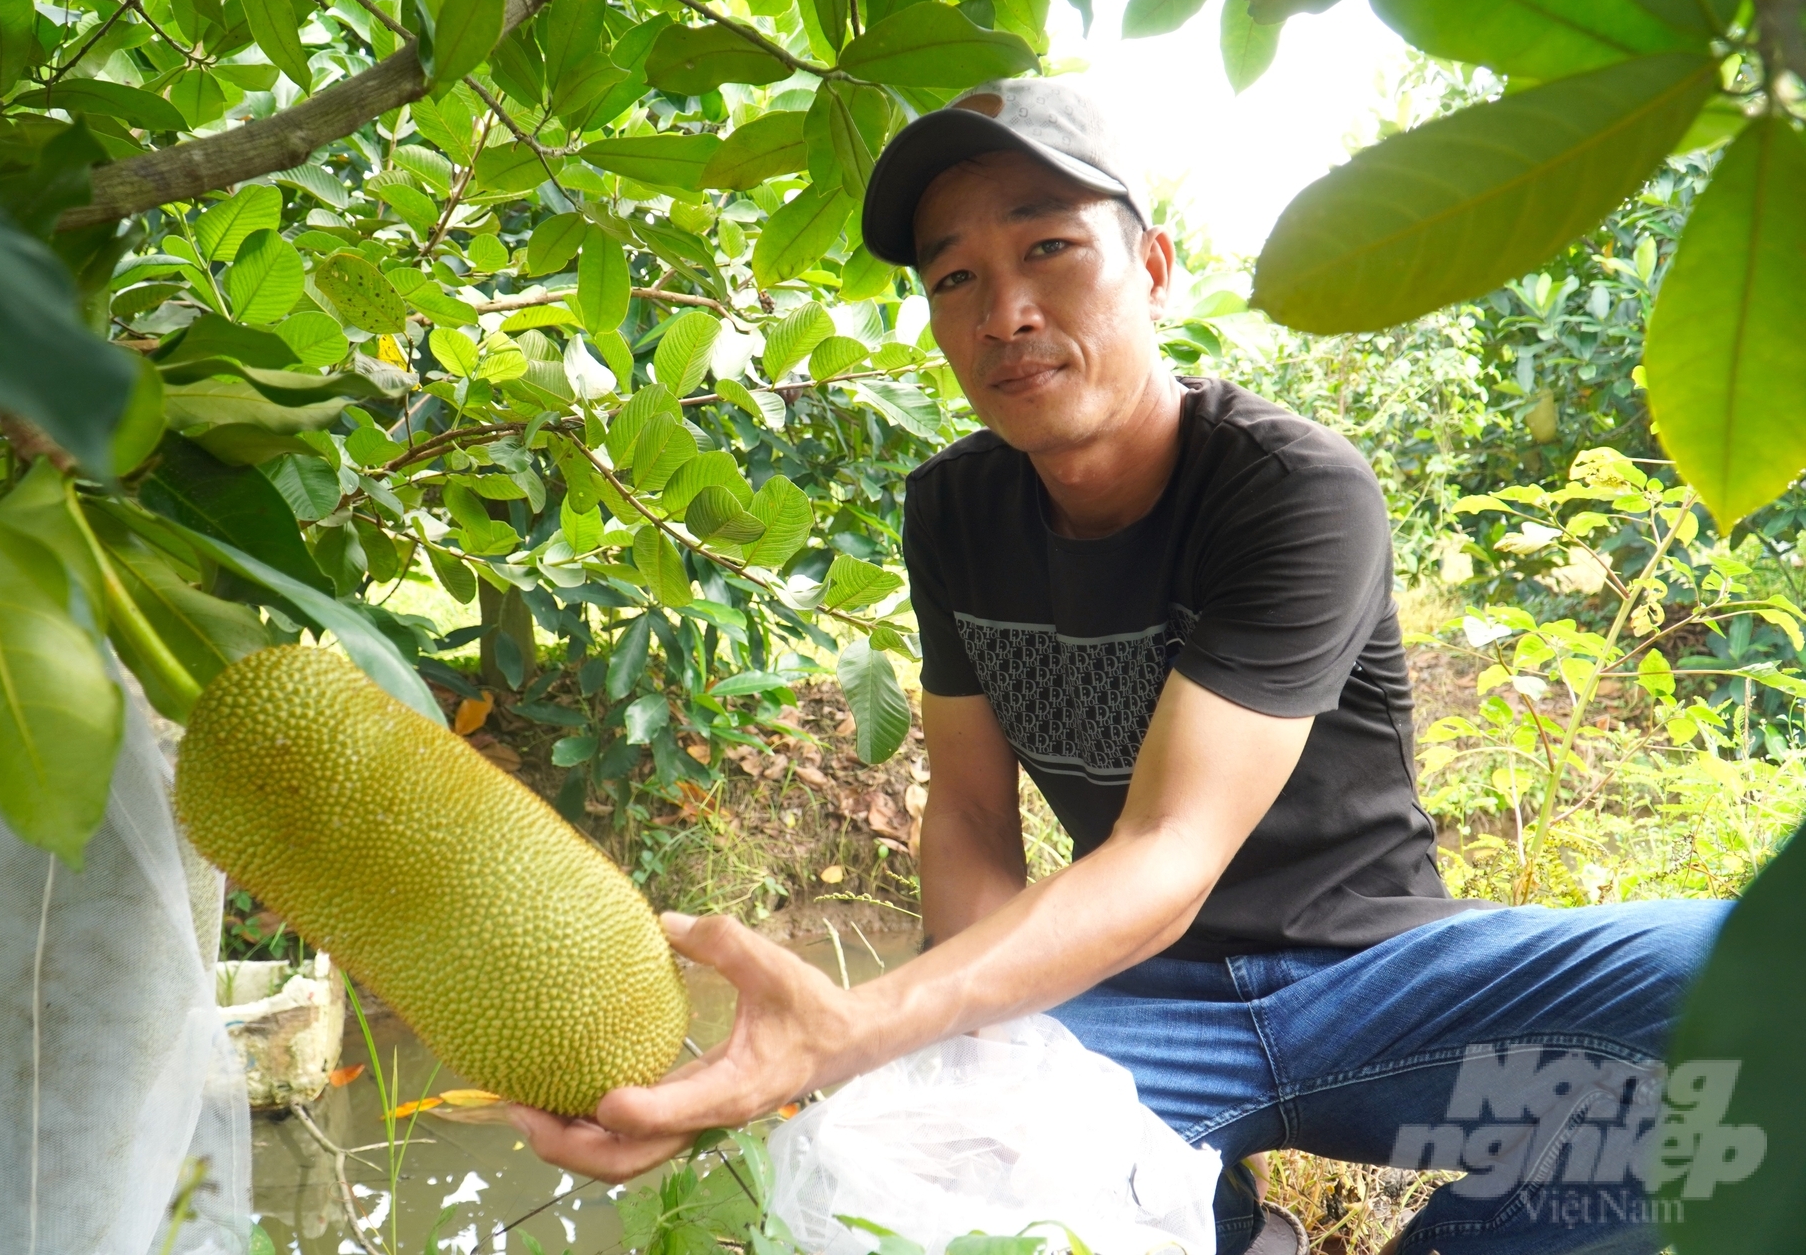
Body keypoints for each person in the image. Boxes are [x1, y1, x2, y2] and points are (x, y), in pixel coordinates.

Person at [511, 79, 1733, 1255]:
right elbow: (976, 814)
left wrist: (849, 1027)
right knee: (911, 1175)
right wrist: (965, 1066)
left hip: (1380, 982)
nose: (1006, 314)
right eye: (956, 278)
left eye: (1049, 250)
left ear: (1149, 267)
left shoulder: (1291, 486)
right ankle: (1229, 1228)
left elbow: (1167, 851)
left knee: (1748, 1005)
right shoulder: (953, 510)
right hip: (1142, 1006)